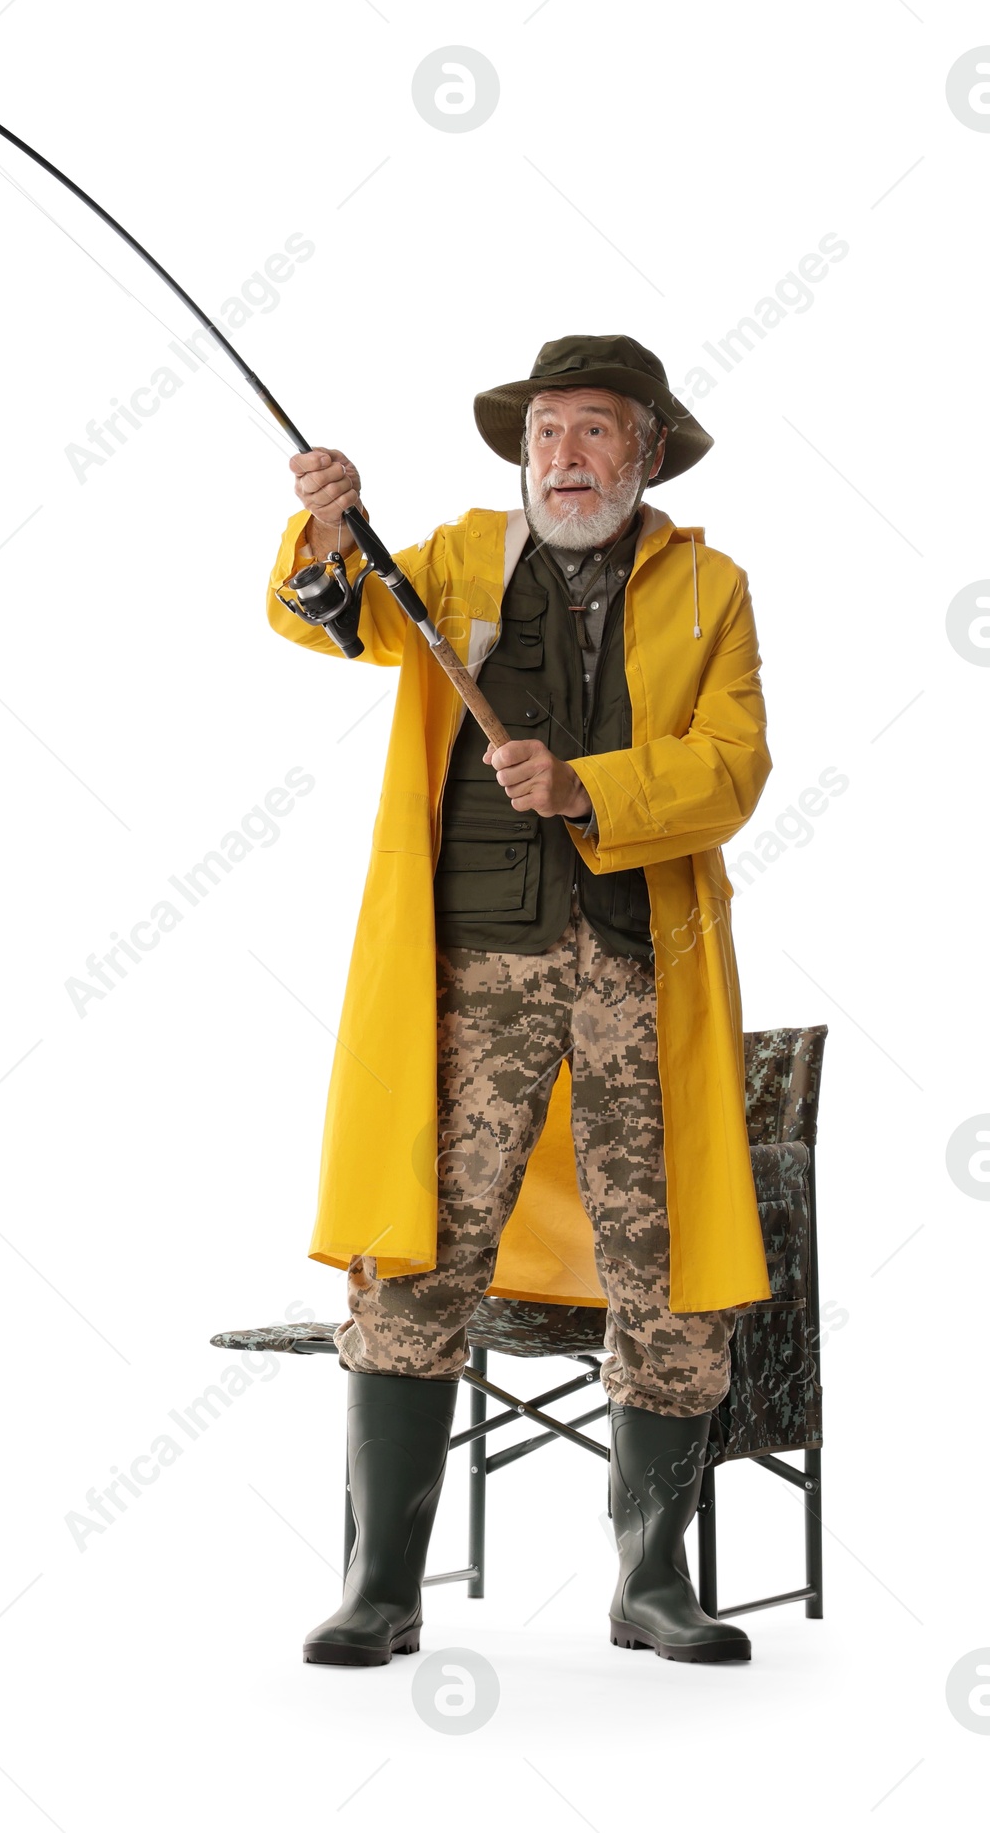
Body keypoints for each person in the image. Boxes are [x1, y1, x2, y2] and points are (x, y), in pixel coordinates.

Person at [266, 336, 773, 1666]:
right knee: (420, 1250)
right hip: (471, 970)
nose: (564, 455)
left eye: (595, 431)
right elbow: (346, 617)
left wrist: (596, 786)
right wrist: (327, 528)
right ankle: (384, 1589)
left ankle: (652, 1582)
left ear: (647, 451)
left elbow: (732, 768)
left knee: (666, 1276)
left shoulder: (711, 590)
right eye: (546, 431)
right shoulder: (455, 562)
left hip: (637, 974)